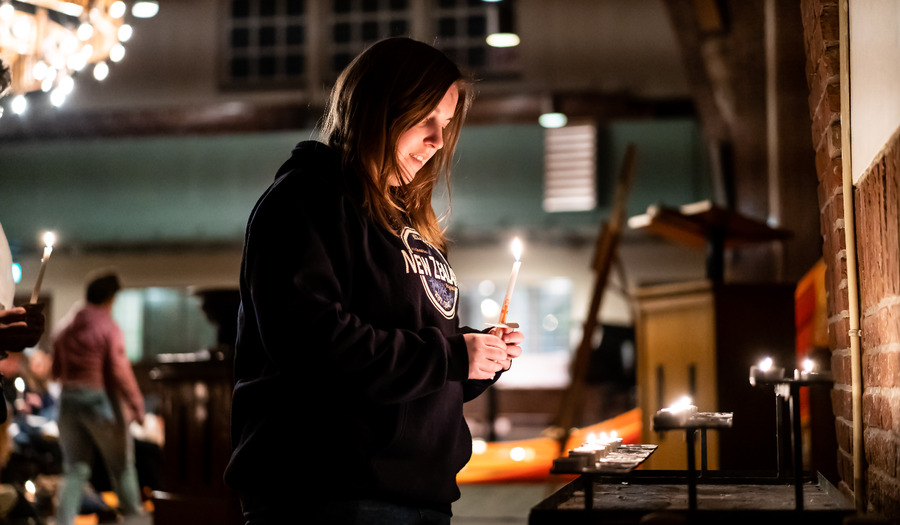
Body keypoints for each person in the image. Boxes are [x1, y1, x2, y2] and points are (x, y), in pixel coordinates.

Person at [224, 37, 524, 524]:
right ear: (380, 107)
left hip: (420, 493)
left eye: (446, 124)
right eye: (426, 118)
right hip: (330, 492)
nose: (438, 140)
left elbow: (413, 359)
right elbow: (314, 346)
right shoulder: (304, 200)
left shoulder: (408, 221)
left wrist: (476, 357)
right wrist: (450, 356)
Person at [51, 271, 145, 524]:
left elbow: (56, 371)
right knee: (122, 466)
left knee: (75, 469)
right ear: (110, 298)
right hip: (97, 400)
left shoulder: (64, 328)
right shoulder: (109, 327)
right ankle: (134, 519)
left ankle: (63, 521)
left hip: (68, 402)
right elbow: (119, 370)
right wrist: (137, 405)